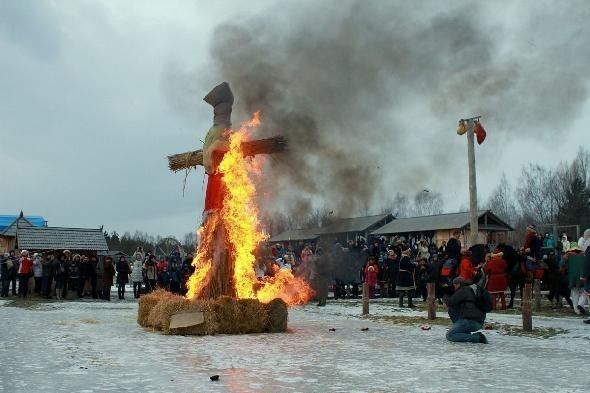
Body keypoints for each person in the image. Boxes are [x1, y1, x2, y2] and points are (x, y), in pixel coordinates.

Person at [446, 277, 489, 344]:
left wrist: (445, 294)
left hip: (470, 321)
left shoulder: (464, 290)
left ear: (458, 284)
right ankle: (463, 330)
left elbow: (450, 302)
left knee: (450, 335)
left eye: (454, 286)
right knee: (452, 310)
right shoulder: (474, 288)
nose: (454, 288)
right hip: (479, 321)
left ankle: (478, 338)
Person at [560, 243, 586, 315]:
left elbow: (561, 263)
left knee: (574, 293)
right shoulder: (584, 254)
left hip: (572, 277)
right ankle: (580, 304)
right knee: (585, 292)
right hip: (583, 276)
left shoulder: (568, 255)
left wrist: (565, 268)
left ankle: (576, 310)